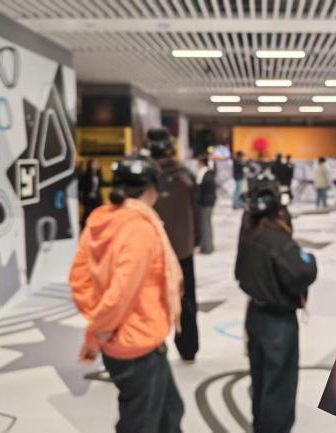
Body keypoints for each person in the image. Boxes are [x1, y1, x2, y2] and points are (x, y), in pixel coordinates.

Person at [69, 155, 185, 432]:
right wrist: (100, 329)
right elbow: (120, 294)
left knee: (170, 412)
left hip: (130, 341)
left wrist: (98, 319)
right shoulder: (140, 230)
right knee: (141, 423)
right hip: (137, 345)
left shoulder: (100, 220)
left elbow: (79, 279)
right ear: (150, 188)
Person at [235, 187, 317, 433]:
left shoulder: (248, 237)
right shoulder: (278, 241)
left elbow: (239, 274)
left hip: (255, 315)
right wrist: (310, 258)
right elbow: (302, 272)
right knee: (279, 384)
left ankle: (261, 426)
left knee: (260, 378)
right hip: (278, 322)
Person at [147, 128, 200, 363]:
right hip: (182, 248)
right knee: (186, 300)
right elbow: (196, 211)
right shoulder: (185, 175)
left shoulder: (145, 176)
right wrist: (195, 238)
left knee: (151, 300)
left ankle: (154, 346)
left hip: (153, 250)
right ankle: (188, 348)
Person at [196, 155, 216, 254]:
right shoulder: (209, 172)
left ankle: (207, 248)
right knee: (207, 224)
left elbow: (199, 189)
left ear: (201, 162)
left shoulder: (202, 173)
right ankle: (208, 246)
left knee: (205, 225)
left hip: (205, 202)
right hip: (210, 201)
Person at [79, 159, 105, 228]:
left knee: (98, 212)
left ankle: (97, 226)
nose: (96, 165)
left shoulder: (99, 175)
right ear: (90, 165)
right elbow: (82, 187)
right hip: (88, 197)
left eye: (97, 164)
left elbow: (101, 184)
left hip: (97, 198)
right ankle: (84, 227)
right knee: (87, 213)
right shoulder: (86, 175)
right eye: (94, 164)